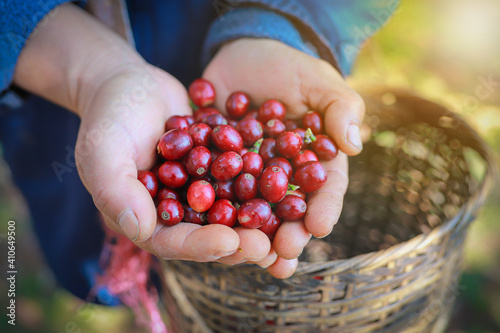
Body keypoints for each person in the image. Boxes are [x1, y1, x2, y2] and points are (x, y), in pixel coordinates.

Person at [0, 0, 397, 302]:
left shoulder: (241, 161)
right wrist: (90, 72)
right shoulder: (204, 162)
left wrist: (282, 25)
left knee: (205, 266)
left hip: (209, 44)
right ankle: (128, 297)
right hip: (49, 112)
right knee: (88, 247)